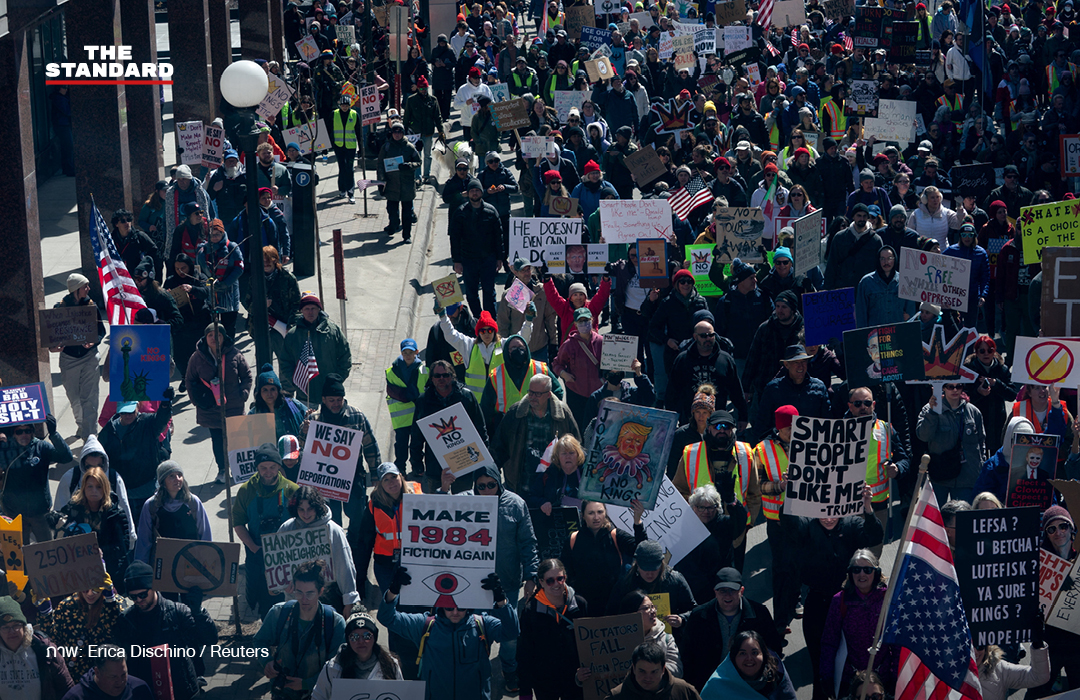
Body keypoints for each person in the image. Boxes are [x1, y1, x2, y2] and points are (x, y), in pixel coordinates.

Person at [438, 465, 539, 694]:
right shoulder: (464, 500)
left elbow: (528, 542)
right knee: (475, 632)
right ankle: (476, 670)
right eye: (480, 486)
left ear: (499, 482)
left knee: (510, 635)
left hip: (508, 583)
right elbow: (438, 516)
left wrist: (531, 576)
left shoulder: (516, 504)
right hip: (471, 585)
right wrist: (445, 488)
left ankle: (509, 668)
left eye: (491, 485)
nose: (485, 490)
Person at [789, 491, 884, 700]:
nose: (829, 517)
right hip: (818, 603)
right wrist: (791, 494)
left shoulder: (851, 524)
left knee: (849, 663)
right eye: (823, 511)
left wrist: (867, 507)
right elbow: (789, 526)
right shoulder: (807, 524)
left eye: (833, 511)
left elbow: (875, 536)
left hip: (849, 604)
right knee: (820, 662)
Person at [377, 567, 518, 700]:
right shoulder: (425, 625)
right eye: (449, 607)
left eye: (461, 608)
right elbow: (387, 618)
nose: (455, 612)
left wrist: (501, 601)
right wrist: (393, 591)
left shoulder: (483, 625)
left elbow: (511, 632)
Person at [113, 561, 217, 700]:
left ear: (153, 587)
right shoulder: (126, 620)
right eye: (133, 597)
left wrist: (199, 613)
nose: (138, 600)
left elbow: (209, 639)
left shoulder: (177, 612)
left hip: (182, 689)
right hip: (146, 691)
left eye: (143, 594)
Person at [671, 569, 784, 693]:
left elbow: (774, 650)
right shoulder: (698, 616)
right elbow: (687, 654)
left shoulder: (760, 614)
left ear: (741, 591)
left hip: (750, 685)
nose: (727, 595)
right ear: (715, 592)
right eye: (722, 591)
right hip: (709, 686)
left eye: (732, 590)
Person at [254, 561, 347, 700]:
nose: (304, 599)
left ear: (320, 591)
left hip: (318, 694)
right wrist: (266, 660)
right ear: (293, 589)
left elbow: (338, 666)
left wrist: (307, 683)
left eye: (310, 593)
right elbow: (259, 641)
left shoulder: (335, 623)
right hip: (281, 693)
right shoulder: (278, 613)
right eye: (299, 592)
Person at [303, 374, 382, 524]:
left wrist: (375, 474)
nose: (336, 404)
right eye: (331, 400)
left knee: (358, 517)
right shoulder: (314, 419)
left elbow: (370, 445)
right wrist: (304, 431)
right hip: (324, 480)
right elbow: (301, 449)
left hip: (353, 478)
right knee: (331, 520)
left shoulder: (357, 416)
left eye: (339, 400)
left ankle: (355, 546)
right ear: (324, 400)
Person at [233, 443, 300, 617]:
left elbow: (304, 520)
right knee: (264, 600)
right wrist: (254, 548)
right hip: (257, 552)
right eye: (263, 468)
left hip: (287, 554)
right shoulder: (246, 490)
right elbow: (238, 523)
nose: (268, 471)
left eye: (272, 467)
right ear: (257, 468)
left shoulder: (292, 490)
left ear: (279, 466)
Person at [185, 322, 252, 484]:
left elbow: (247, 376)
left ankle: (237, 470)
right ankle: (222, 469)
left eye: (218, 335)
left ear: (224, 337)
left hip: (233, 406)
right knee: (217, 440)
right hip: (210, 408)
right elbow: (189, 380)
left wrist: (243, 393)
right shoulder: (197, 358)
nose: (214, 338)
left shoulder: (235, 354)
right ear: (205, 338)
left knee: (235, 440)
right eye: (210, 335)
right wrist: (196, 402)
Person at [278, 486, 359, 617]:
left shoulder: (333, 530)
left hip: (328, 597)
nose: (305, 514)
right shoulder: (287, 528)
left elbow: (345, 566)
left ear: (317, 507)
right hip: (296, 599)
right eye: (301, 509)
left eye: (310, 509)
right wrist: (281, 586)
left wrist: (349, 600)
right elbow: (279, 565)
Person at [493, 374, 580, 495]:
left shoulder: (563, 413)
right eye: (531, 393)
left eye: (538, 394)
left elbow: (577, 446)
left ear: (549, 394)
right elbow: (498, 446)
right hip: (522, 484)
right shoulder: (515, 413)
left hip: (553, 486)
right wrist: (491, 475)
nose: (533, 397)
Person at [410, 360, 488, 493]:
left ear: (452, 376)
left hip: (464, 463)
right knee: (436, 505)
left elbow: (480, 429)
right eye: (437, 376)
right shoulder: (423, 401)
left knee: (462, 503)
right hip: (435, 465)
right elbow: (417, 435)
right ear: (432, 379)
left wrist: (483, 461)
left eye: (445, 375)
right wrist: (416, 463)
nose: (441, 379)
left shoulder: (467, 397)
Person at [517, 558, 589, 700]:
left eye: (560, 579)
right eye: (550, 580)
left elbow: (589, 643)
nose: (556, 584)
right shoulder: (530, 612)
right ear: (541, 582)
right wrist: (525, 690)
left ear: (565, 577)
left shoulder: (580, 605)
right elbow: (524, 653)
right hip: (545, 683)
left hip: (575, 680)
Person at [97, 393, 173, 520]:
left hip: (147, 489)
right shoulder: (109, 431)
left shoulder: (148, 422)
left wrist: (165, 405)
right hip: (122, 492)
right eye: (124, 412)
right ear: (118, 412)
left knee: (150, 527)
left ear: (138, 407)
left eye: (131, 411)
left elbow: (161, 421)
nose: (128, 415)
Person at [351, 462, 423, 594]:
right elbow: (364, 543)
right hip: (385, 564)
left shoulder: (417, 498)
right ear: (379, 484)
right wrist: (360, 579)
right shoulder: (374, 505)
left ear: (401, 477)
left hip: (414, 560)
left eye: (394, 477)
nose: (391, 483)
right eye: (386, 480)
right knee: (390, 600)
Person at [50, 273, 105, 441]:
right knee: (74, 397)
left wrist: (93, 343)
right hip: (68, 358)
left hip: (89, 357)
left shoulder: (91, 306)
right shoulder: (59, 309)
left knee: (90, 397)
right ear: (75, 289)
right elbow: (51, 335)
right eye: (85, 286)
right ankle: (82, 425)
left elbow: (101, 331)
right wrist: (53, 347)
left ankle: (91, 435)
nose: (88, 289)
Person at [0, 413, 72, 543]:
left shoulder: (42, 447)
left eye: (28, 430)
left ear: (33, 432)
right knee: (20, 550)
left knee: (47, 548)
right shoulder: (6, 449)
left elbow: (66, 457)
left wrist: (54, 434)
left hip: (39, 512)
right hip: (15, 512)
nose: (24, 435)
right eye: (19, 431)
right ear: (13, 434)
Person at [54, 466, 131, 586]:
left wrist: (101, 552)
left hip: (107, 571)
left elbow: (123, 546)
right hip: (78, 570)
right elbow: (61, 534)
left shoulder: (116, 513)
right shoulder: (73, 508)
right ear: (83, 488)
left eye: (98, 487)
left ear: (105, 488)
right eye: (90, 486)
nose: (94, 490)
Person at [1031, 506, 1077, 697]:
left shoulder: (1079, 559)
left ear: (1071, 529)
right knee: (1037, 692)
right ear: (1046, 535)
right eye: (1052, 529)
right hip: (1050, 640)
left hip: (1077, 641)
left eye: (1063, 526)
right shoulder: (1037, 562)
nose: (1059, 532)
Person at [35, 585, 123, 684]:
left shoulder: (116, 603)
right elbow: (53, 640)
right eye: (85, 589)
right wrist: (45, 614)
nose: (90, 594)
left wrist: (110, 603)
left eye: (95, 590)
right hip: (75, 676)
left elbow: (121, 630)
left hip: (106, 676)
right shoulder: (66, 606)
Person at [918, 381, 986, 505]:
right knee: (935, 521)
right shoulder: (930, 409)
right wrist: (932, 413)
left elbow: (981, 442)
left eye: (958, 386)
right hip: (940, 475)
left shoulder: (973, 411)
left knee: (962, 520)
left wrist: (980, 466)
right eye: (950, 386)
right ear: (943, 388)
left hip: (966, 477)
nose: (955, 390)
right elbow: (923, 435)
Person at [667, 321, 748, 425]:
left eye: (711, 335)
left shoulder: (725, 359)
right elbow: (672, 392)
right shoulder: (683, 360)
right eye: (703, 336)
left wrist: (743, 417)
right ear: (695, 337)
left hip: (717, 422)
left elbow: (736, 391)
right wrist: (670, 420)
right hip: (690, 421)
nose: (708, 338)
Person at [645, 270, 708, 405]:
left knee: (695, 390)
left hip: (697, 351)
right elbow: (653, 327)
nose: (686, 284)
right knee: (675, 391)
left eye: (689, 281)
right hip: (675, 352)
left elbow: (709, 325)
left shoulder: (701, 301)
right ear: (676, 284)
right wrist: (667, 340)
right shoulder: (667, 302)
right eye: (682, 281)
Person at [133, 461, 211, 567]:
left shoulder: (192, 502)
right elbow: (144, 540)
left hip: (190, 562)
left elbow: (205, 533)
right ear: (162, 482)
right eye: (171, 476)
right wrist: (141, 567)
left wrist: (206, 558)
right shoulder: (152, 505)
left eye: (179, 475)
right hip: (163, 562)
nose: (177, 479)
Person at [680, 484, 748, 603]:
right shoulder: (685, 526)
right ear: (694, 508)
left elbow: (740, 523)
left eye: (711, 507)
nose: (706, 512)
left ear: (717, 507)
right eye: (701, 507)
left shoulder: (724, 523)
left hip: (720, 584)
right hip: (695, 585)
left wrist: (732, 502)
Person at [311, 612, 403, 700]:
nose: (361, 641)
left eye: (367, 636)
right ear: (347, 639)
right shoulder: (332, 668)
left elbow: (401, 695)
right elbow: (318, 696)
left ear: (375, 638)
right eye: (354, 637)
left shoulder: (391, 665)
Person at [281, 294, 352, 404]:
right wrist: (295, 382)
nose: (310, 312)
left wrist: (338, 380)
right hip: (305, 395)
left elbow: (345, 356)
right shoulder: (293, 335)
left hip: (330, 395)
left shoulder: (333, 331)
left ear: (319, 309)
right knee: (307, 421)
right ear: (302, 311)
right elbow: (285, 362)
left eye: (313, 308)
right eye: (307, 309)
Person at [753, 346, 831, 444]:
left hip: (812, 445)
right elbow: (762, 422)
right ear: (786, 364)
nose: (801, 366)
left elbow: (827, 421)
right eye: (796, 362)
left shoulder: (819, 387)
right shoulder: (773, 389)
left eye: (803, 361)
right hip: (782, 446)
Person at [449, 179, 504, 316]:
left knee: (489, 291)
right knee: (471, 292)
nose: (475, 193)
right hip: (468, 259)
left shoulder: (491, 212)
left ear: (482, 192)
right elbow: (454, 239)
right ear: (467, 193)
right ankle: (478, 318)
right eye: (472, 190)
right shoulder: (460, 213)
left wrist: (500, 258)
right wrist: (456, 261)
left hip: (488, 259)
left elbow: (499, 237)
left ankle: (490, 320)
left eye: (477, 190)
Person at [0, 597, 74, 700]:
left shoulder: (44, 649)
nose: (12, 631)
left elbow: (67, 689)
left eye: (16, 625)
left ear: (24, 626)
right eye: (5, 627)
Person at [607, 540, 696, 616]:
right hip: (637, 635)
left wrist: (681, 619)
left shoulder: (675, 580)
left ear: (661, 563)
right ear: (637, 563)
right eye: (645, 569)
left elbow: (693, 610)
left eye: (654, 569)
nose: (649, 574)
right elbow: (611, 614)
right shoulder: (625, 583)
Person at [164, 253, 212, 389]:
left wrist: (192, 289)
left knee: (198, 353)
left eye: (183, 268)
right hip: (181, 324)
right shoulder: (171, 280)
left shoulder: (199, 277)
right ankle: (186, 377)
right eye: (178, 268)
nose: (181, 272)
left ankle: (198, 378)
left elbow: (207, 291)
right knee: (180, 355)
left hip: (198, 321)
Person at [963, 336, 1016, 455]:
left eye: (989, 350)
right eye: (982, 351)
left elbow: (1012, 395)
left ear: (994, 351)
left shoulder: (1002, 370)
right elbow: (961, 394)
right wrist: (978, 392)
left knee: (996, 456)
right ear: (976, 353)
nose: (986, 354)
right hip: (975, 420)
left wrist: (997, 384)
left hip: (997, 420)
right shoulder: (969, 369)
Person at [553, 307, 604, 429]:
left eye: (586, 320)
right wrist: (563, 374)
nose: (584, 324)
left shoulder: (602, 342)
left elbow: (611, 364)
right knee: (578, 426)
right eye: (580, 321)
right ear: (575, 324)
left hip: (597, 392)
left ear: (592, 320)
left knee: (598, 426)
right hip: (576, 392)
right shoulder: (569, 345)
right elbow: (557, 363)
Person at [195, 218, 245, 341]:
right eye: (212, 235)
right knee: (212, 326)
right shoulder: (203, 250)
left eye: (218, 234)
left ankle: (229, 348)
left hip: (229, 292)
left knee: (229, 326)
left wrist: (225, 283)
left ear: (223, 233)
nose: (215, 237)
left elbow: (239, 268)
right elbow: (199, 270)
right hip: (211, 293)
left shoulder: (232, 247)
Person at [385, 339, 427, 475]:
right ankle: (400, 466)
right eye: (405, 352)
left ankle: (417, 466)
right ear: (401, 353)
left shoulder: (424, 371)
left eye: (411, 352)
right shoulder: (391, 372)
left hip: (418, 413)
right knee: (401, 444)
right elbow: (393, 391)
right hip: (402, 416)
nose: (408, 355)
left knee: (417, 443)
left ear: (416, 352)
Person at [376, 121, 422, 242]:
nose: (397, 135)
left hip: (407, 185)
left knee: (407, 212)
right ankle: (393, 225)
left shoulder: (409, 147)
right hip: (391, 184)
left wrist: (409, 166)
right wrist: (381, 182)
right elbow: (380, 164)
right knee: (392, 209)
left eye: (399, 132)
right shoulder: (386, 147)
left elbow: (418, 162)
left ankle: (407, 235)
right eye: (395, 132)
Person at [607, 642, 700, 700]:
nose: (648, 677)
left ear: (663, 669)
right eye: (642, 671)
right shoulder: (617, 696)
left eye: (654, 672)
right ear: (634, 668)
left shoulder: (684, 691)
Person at [825, 203, 883, 291]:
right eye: (859, 215)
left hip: (867, 289)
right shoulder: (840, 237)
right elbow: (831, 265)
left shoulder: (876, 240)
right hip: (843, 288)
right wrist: (828, 288)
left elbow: (880, 267)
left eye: (864, 216)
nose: (862, 219)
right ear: (853, 217)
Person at [61, 646, 153, 700]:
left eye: (123, 675)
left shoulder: (139, 690)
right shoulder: (75, 697)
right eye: (113, 677)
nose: (120, 681)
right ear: (97, 672)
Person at [855, 246, 916, 327]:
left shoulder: (905, 281)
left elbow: (911, 313)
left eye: (889, 258)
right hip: (875, 334)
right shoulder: (866, 282)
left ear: (895, 259)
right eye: (882, 258)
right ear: (878, 260)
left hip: (898, 333)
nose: (886, 262)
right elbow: (861, 314)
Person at [975, 636, 1050, 700]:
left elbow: (1038, 677)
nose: (975, 652)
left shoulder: (999, 669)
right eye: (969, 647)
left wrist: (1038, 644)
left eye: (979, 646)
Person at [250, 363, 307, 443]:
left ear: (278, 390)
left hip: (293, 451)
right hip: (269, 453)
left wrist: (309, 418)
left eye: (272, 389)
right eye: (265, 390)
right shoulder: (254, 413)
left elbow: (309, 417)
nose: (269, 394)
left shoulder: (292, 404)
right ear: (260, 393)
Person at [331, 94, 362, 202]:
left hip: (350, 146)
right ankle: (342, 190)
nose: (344, 107)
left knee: (349, 168)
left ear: (349, 106)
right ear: (340, 105)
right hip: (338, 145)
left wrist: (361, 148)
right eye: (343, 105)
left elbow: (358, 132)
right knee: (342, 168)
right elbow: (330, 130)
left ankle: (351, 192)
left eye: (346, 105)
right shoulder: (334, 114)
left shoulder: (354, 114)